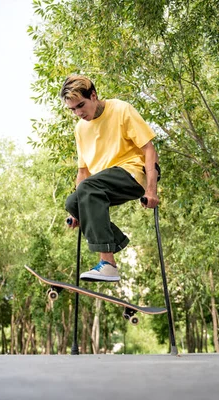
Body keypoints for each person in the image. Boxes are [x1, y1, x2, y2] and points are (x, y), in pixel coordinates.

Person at [61, 74, 160, 283]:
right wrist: (79, 210)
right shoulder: (80, 129)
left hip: (131, 173)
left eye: (81, 105)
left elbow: (149, 149)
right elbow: (83, 172)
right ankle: (117, 240)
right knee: (71, 202)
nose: (79, 113)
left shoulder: (121, 110)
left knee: (87, 189)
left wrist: (151, 189)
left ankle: (108, 264)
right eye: (73, 109)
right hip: (99, 184)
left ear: (94, 95)